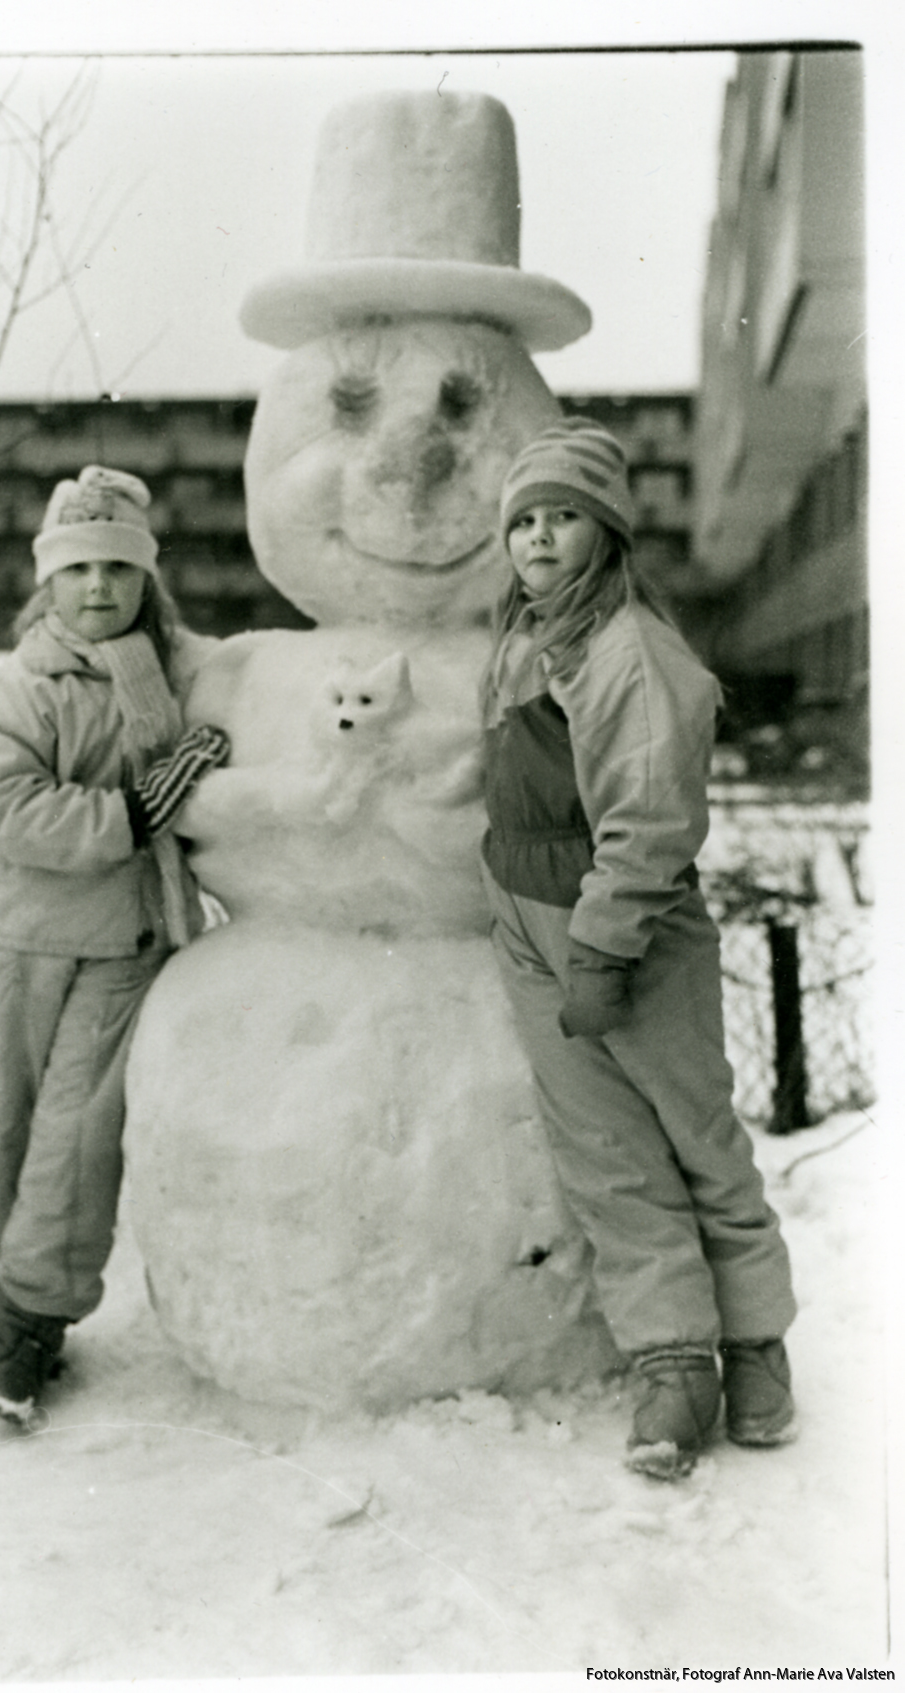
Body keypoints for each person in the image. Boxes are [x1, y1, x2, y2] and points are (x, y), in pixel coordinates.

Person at [479, 417, 796, 1481]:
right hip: (532, 927)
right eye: (523, 519)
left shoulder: (636, 655)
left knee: (698, 1143)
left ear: (607, 534)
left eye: (562, 516)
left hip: (632, 935)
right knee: (608, 1157)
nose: (537, 537)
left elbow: (651, 822)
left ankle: (754, 1342)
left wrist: (604, 951)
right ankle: (674, 1363)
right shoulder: (524, 639)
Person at [0, 466, 229, 1428]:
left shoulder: (171, 668)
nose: (100, 587)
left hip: (127, 941)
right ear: (50, 584)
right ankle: (2, 1307)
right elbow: (7, 804)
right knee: (11, 1128)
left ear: (146, 580)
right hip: (28, 942)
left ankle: (29, 1322)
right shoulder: (25, 682)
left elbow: (233, 710)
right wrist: (124, 812)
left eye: (119, 568)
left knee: (74, 1139)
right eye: (79, 570)